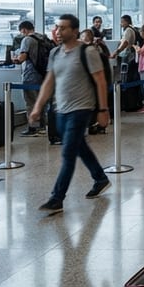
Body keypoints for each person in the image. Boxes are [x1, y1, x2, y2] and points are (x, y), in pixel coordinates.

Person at [30, 14, 112, 214]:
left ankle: (57, 198)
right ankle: (100, 178)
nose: (58, 32)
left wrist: (103, 109)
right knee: (79, 146)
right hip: (61, 109)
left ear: (74, 31)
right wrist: (38, 107)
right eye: (57, 28)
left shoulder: (87, 51)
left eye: (63, 28)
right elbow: (49, 81)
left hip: (81, 109)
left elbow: (100, 81)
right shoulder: (55, 53)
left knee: (68, 153)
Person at [15, 20, 47, 137]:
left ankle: (33, 127)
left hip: (31, 74)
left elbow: (22, 57)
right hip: (43, 74)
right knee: (41, 100)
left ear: (24, 29)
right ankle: (42, 126)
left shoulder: (27, 39)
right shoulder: (42, 38)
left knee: (30, 101)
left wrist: (16, 59)